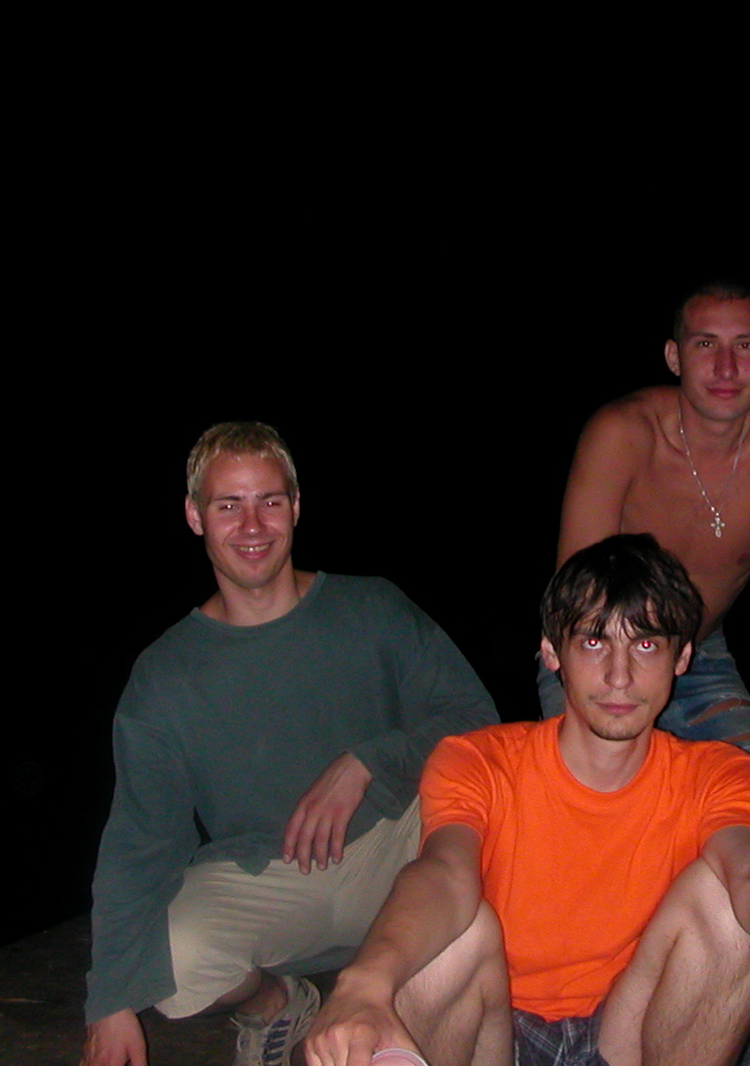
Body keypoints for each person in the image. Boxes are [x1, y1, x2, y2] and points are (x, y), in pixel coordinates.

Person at [303, 534, 750, 1066]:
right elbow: (443, 873)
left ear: (682, 657)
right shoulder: (479, 760)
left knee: (727, 902)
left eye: (645, 646)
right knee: (454, 931)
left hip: (633, 1028)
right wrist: (363, 984)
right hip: (497, 1029)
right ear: (551, 653)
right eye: (594, 642)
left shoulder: (719, 772)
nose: (619, 676)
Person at [82, 422, 499, 1066]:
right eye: (228, 505)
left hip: (394, 847)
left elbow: (476, 720)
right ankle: (277, 1002)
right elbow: (139, 839)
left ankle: (411, 987)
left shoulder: (372, 607)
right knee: (172, 963)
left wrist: (367, 762)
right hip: (270, 877)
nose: (252, 525)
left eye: (269, 501)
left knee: (489, 835)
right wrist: (109, 1003)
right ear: (194, 516)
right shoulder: (164, 674)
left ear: (297, 506)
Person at [546, 281, 750, 850]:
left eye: (745, 345)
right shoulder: (623, 432)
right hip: (598, 648)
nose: (726, 367)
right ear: (674, 356)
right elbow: (576, 602)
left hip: (701, 650)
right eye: (705, 345)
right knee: (601, 825)